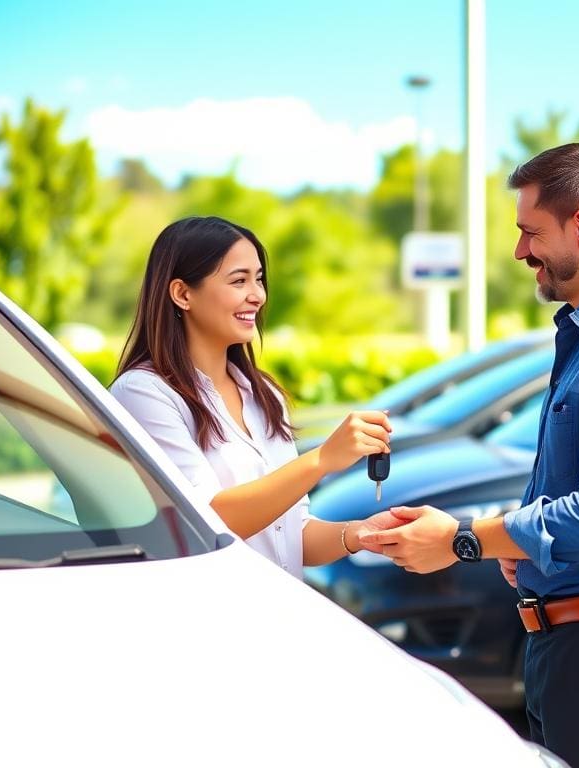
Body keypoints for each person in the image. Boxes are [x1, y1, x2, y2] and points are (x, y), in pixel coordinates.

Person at [360, 144, 579, 768]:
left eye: (531, 232)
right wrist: (516, 545)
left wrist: (466, 539)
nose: (521, 251)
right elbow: (574, 489)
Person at [112, 216, 399, 577]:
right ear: (183, 294)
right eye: (239, 280)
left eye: (259, 279)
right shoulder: (144, 393)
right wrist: (322, 459)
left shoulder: (264, 397)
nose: (258, 295)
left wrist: (357, 534)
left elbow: (293, 534)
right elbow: (207, 521)